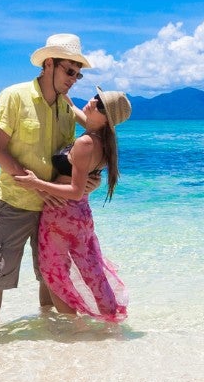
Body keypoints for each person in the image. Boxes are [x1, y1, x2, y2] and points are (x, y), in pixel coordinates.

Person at [0, 33, 98, 337]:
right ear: (49, 64)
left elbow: (68, 158)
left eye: (77, 74)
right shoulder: (14, 96)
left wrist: (86, 181)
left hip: (52, 207)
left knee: (51, 274)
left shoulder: (65, 110)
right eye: (69, 71)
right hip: (14, 202)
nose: (73, 79)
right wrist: (37, 186)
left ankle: (48, 329)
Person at [13, 87, 132, 325]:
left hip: (61, 214)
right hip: (80, 216)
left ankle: (72, 326)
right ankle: (111, 321)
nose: (91, 101)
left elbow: (76, 191)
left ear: (106, 118)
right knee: (92, 271)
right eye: (95, 97)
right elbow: (74, 108)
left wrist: (38, 184)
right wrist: (61, 92)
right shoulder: (102, 139)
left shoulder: (86, 143)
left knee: (54, 272)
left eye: (98, 104)